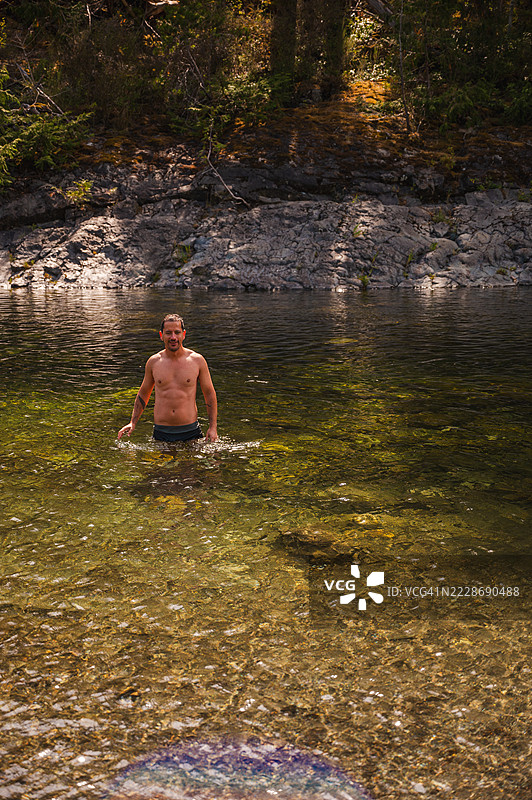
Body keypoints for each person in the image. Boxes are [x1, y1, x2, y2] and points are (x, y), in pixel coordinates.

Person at [118, 313, 218, 443]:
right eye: (168, 333)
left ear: (184, 334)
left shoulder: (197, 361)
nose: (173, 337)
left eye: (177, 332)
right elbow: (143, 394)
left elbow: (209, 393)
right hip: (161, 432)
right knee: (159, 463)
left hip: (190, 431)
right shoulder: (154, 362)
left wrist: (213, 427)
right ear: (161, 335)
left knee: (192, 464)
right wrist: (133, 422)